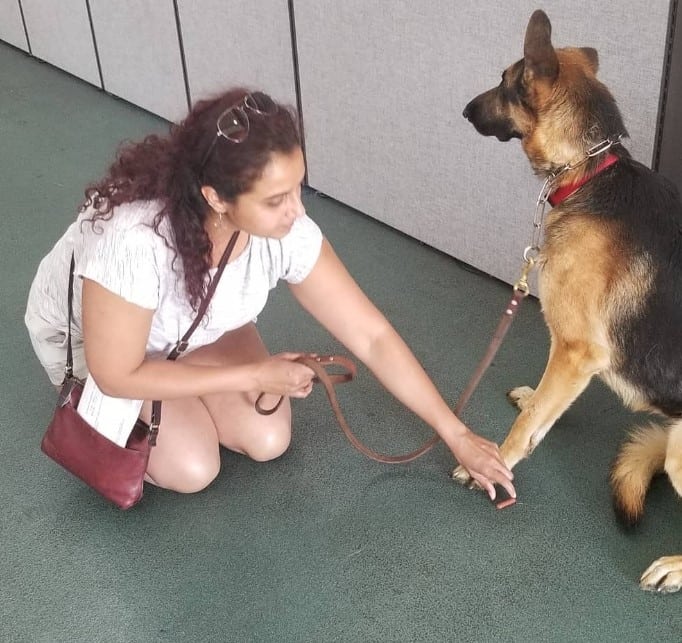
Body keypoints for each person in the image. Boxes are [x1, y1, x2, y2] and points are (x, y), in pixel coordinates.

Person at [25, 87, 515, 501]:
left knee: (268, 438)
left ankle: (194, 377)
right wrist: (256, 373)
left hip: (194, 329)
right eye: (276, 199)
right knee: (194, 468)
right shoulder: (135, 243)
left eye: (297, 188)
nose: (296, 212)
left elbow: (371, 335)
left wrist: (458, 434)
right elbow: (117, 374)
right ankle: (187, 386)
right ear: (216, 197)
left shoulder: (286, 232)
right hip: (109, 352)